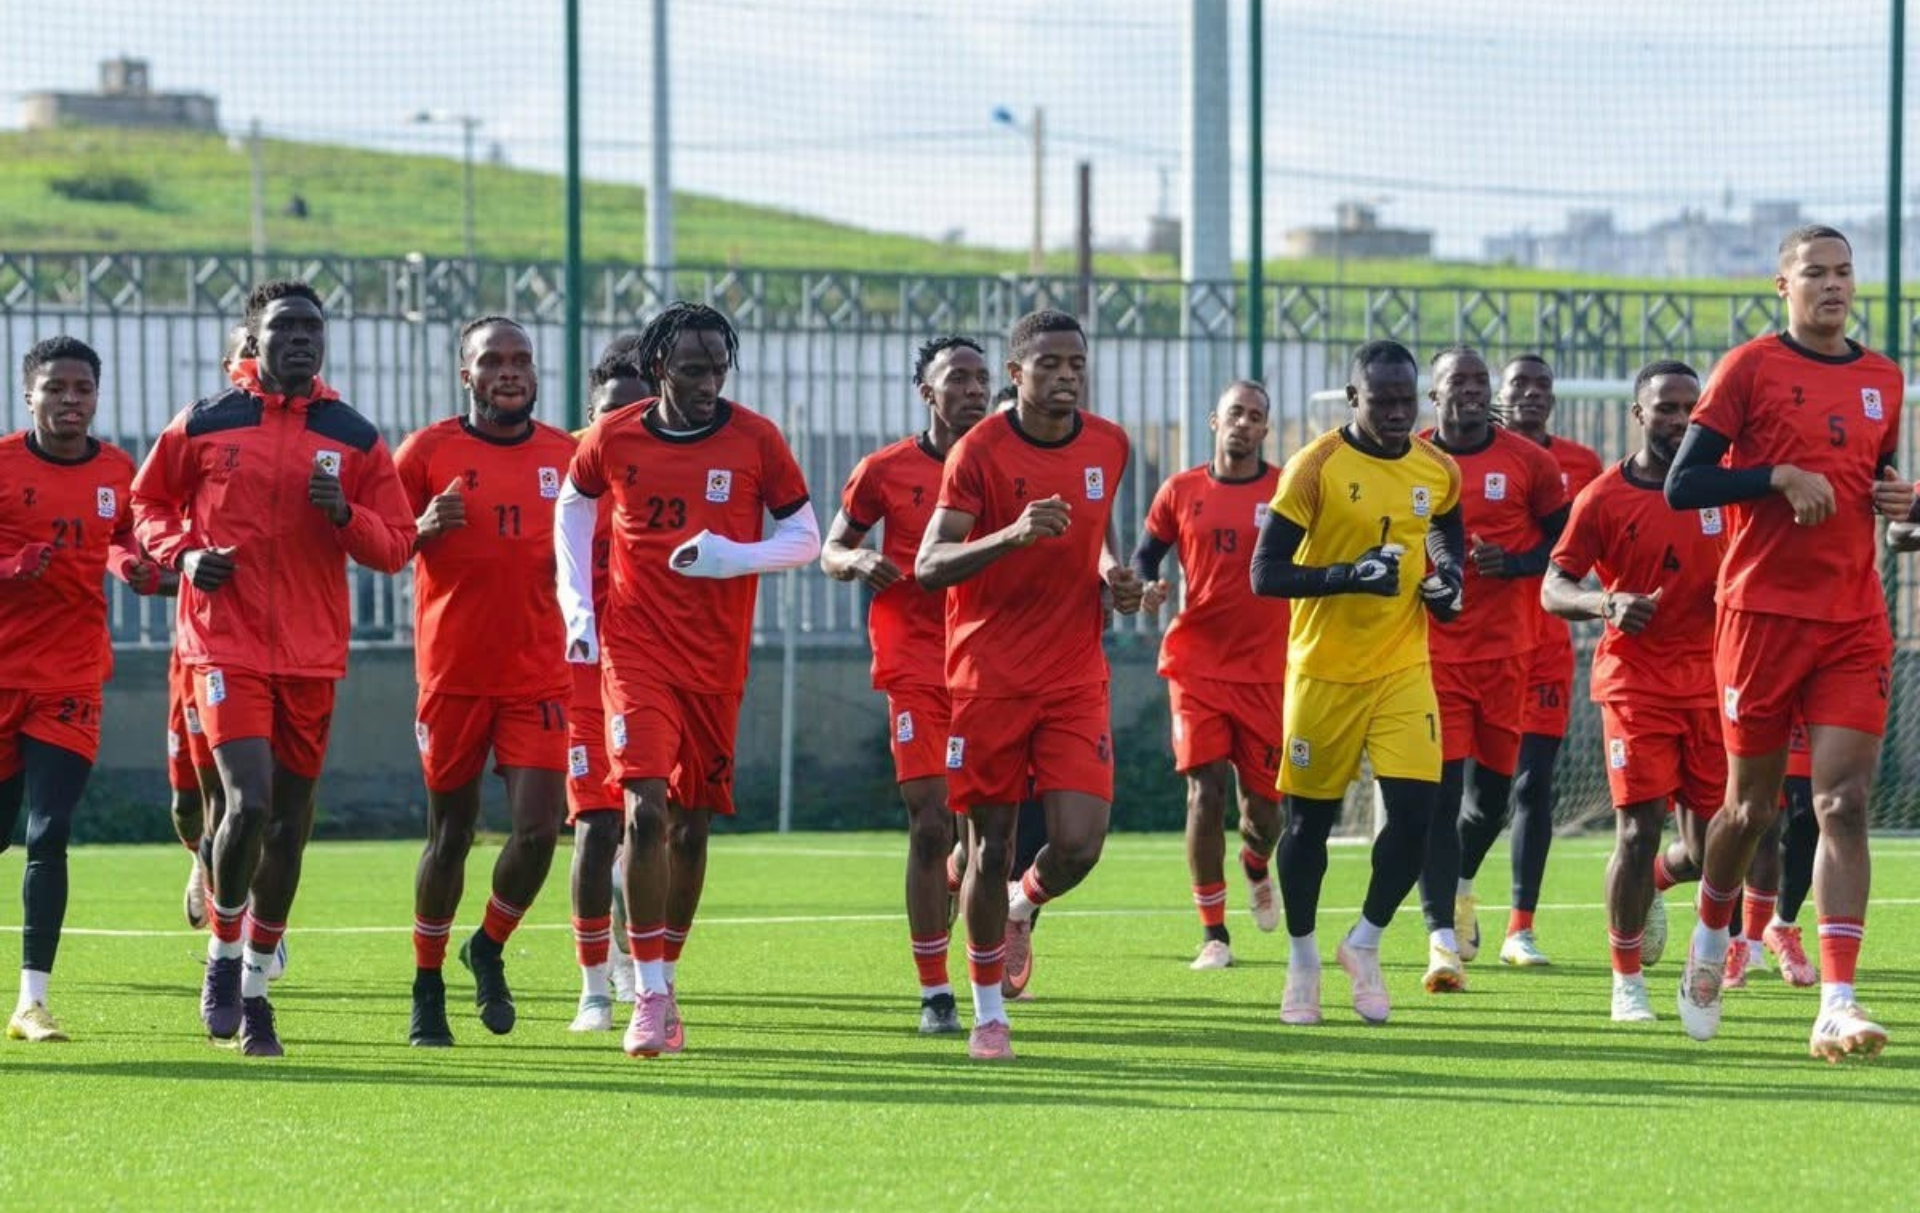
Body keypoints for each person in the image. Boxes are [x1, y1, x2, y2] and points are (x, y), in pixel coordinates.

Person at [132, 280, 417, 1058]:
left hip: (311, 654)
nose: (301, 339)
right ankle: (224, 956)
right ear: (253, 340)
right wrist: (185, 555)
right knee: (248, 802)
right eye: (285, 327)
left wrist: (344, 513)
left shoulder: (354, 435)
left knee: (290, 823)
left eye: (312, 329)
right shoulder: (205, 420)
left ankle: (257, 990)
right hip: (222, 644)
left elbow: (396, 545)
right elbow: (146, 505)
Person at [1666, 224, 1908, 1059]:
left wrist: (1907, 510)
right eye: (1815, 273)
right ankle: (1711, 931)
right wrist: (1775, 476)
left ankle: (1837, 1001)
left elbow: (1879, 492)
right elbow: (1683, 483)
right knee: (1751, 810)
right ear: (1784, 285)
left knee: (1842, 802)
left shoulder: (1884, 378)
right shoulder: (1749, 368)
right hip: (1760, 616)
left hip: (1852, 619)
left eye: (1844, 271)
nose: (1833, 285)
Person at [557, 302, 820, 1059]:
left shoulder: (756, 439)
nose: (709, 384)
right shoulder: (614, 435)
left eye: (719, 370)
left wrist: (731, 557)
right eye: (694, 370)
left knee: (692, 825)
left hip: (715, 659)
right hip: (634, 651)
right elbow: (572, 505)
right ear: (659, 368)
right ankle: (645, 993)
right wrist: (577, 605)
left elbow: (805, 535)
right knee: (643, 810)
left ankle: (666, 975)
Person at [915, 309, 1142, 1061]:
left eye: (1077, 363)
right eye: (1050, 364)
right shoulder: (979, 450)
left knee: (1078, 843)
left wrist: (1113, 575)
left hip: (1075, 674)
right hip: (989, 677)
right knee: (991, 845)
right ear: (1017, 374)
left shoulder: (1109, 444)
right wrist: (1012, 533)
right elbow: (928, 563)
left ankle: (1022, 904)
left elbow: (1096, 528)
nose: (1067, 375)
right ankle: (989, 1014)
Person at [1251, 339, 1465, 1026]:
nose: (1398, 413)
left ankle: (1365, 942)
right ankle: (1303, 959)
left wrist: (1449, 581)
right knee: (1307, 826)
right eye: (1382, 401)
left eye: (1407, 401)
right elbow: (1265, 573)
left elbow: (1445, 532)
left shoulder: (1437, 468)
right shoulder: (1314, 467)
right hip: (1323, 672)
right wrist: (1347, 575)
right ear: (1353, 399)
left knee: (1418, 814)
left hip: (1404, 667)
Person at [394, 316, 577, 1047]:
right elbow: (375, 541)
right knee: (451, 835)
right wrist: (419, 527)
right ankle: (427, 983)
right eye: (493, 360)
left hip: (539, 674)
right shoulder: (426, 451)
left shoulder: (568, 456)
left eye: (521, 359)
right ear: (465, 374)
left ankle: (489, 945)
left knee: (539, 830)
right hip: (453, 676)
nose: (509, 371)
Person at [1542, 360, 1726, 1022]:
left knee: (1712, 847)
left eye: (1690, 409)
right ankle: (1627, 980)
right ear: (1639, 414)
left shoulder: (1722, 487)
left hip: (1713, 683)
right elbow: (1553, 585)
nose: (1679, 420)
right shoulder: (1604, 497)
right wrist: (1605, 602)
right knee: (1637, 826)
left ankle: (1654, 882)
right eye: (1665, 408)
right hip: (1635, 685)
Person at [821, 334, 990, 1033]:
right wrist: (857, 561)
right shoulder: (883, 470)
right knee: (930, 819)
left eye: (982, 378)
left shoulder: (1007, 463)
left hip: (992, 662)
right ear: (927, 391)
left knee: (984, 835)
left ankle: (974, 907)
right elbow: (831, 547)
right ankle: (935, 991)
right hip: (915, 663)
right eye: (958, 378)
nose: (974, 390)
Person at [1, 337, 164, 1042]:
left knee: (50, 829)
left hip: (70, 675)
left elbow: (121, 535)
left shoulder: (117, 469)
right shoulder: (4, 464)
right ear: (29, 394)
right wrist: (11, 567)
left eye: (83, 388)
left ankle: (31, 1002)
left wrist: (132, 567)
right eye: (56, 388)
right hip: (3, 672)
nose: (71, 400)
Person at [1417, 347, 1566, 991]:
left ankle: (1461, 885)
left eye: (1481, 379)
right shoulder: (1412, 460)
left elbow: (1568, 546)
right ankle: (1441, 942)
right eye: (1460, 380)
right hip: (1431, 655)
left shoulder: (1530, 462)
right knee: (1440, 796)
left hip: (1509, 656)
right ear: (1435, 394)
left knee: (1490, 804)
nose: (1473, 389)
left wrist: (1518, 562)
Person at [1133, 380, 1286, 970]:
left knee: (1264, 814)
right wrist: (1146, 586)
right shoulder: (1181, 490)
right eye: (1235, 413)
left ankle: (1255, 863)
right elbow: (1146, 555)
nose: (1244, 423)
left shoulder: (1286, 491)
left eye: (1255, 416)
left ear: (1265, 429)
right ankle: (1214, 934)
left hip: (1268, 670)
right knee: (1204, 791)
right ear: (1213, 421)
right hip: (1196, 664)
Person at [1487, 353, 1602, 964]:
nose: (1531, 393)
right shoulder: (1458, 455)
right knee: (1477, 798)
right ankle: (1455, 899)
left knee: (1534, 786)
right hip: (1479, 650)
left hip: (1548, 649)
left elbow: (1593, 547)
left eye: (1541, 385)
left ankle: (1519, 928)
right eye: (1519, 384)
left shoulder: (1581, 465)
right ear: (1499, 395)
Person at [565, 334, 654, 1031]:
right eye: (608, 413)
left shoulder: (670, 466)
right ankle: (594, 983)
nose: (621, 425)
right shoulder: (563, 469)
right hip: (577, 672)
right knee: (596, 826)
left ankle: (645, 967)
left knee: (650, 826)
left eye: (636, 412)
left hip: (652, 668)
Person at [169, 322, 250, 932]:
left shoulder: (318, 435)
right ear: (230, 365)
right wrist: (176, 558)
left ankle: (248, 927)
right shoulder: (201, 434)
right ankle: (201, 855)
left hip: (261, 654)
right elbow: (146, 518)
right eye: (248, 350)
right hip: (194, 650)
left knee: (245, 796)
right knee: (189, 799)